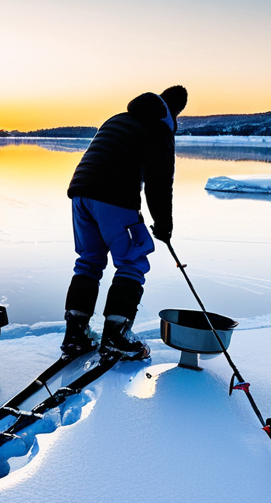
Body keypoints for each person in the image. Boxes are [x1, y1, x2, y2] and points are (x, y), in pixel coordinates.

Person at [61, 85, 188, 360]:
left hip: (80, 193)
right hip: (114, 196)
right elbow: (159, 184)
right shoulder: (160, 129)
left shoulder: (119, 118)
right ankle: (116, 336)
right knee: (133, 260)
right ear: (174, 113)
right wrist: (164, 226)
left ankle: (75, 334)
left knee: (89, 260)